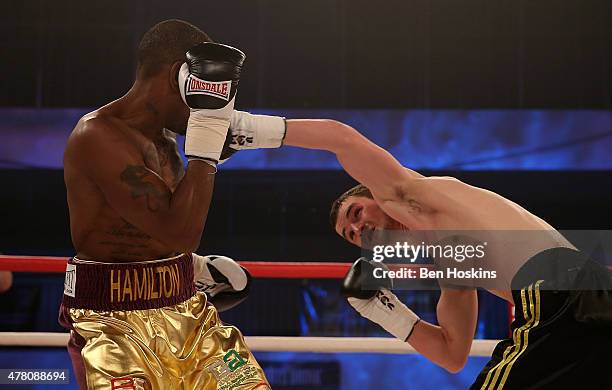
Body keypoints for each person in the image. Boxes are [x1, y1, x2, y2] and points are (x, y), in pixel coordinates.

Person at [218, 113, 612, 389]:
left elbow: (341, 138)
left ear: (375, 193)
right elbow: (453, 354)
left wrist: (246, 128)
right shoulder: (455, 264)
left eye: (355, 213)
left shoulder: (415, 195)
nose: (357, 228)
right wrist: (383, 311)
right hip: (589, 299)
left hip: (557, 288)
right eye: (350, 235)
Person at [61, 20, 269, 389]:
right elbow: (181, 232)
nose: (208, 105)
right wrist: (206, 148)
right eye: (205, 89)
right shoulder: (97, 136)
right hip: (113, 324)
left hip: (187, 308)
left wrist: (195, 268)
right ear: (181, 76)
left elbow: (176, 242)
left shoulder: (167, 143)